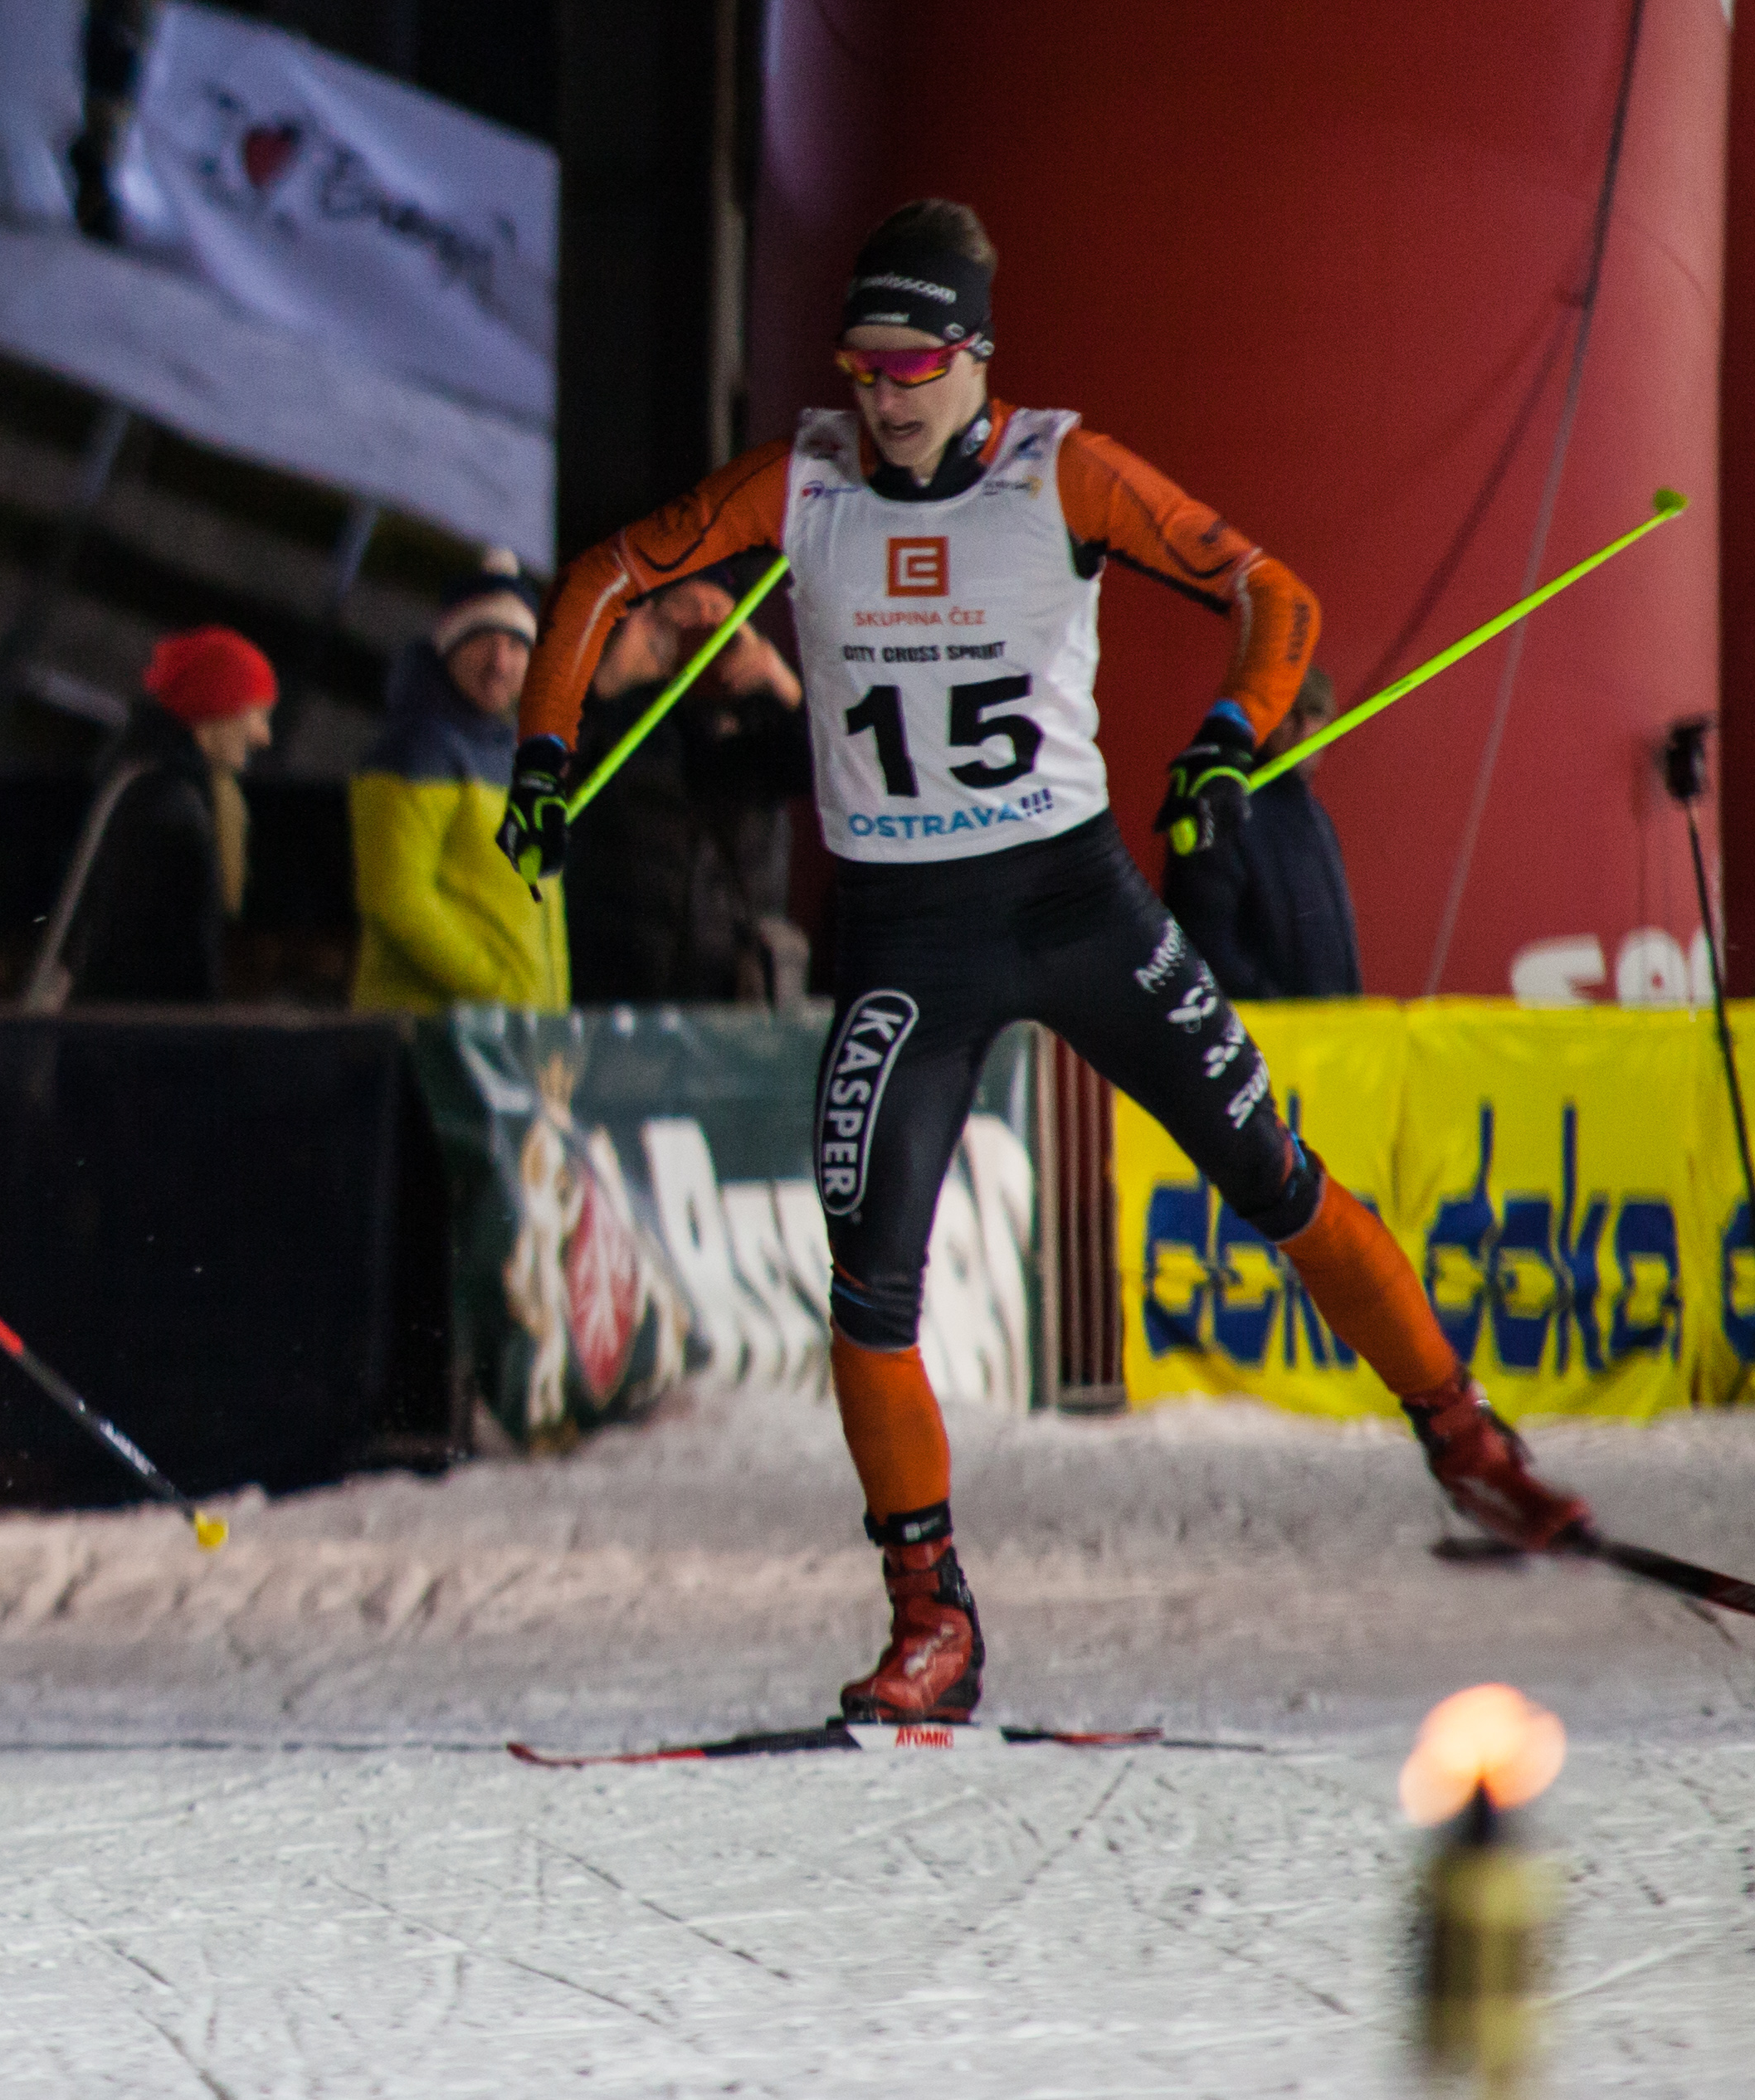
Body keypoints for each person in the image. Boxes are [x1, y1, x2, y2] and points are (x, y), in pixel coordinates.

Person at [503, 201, 1592, 1724]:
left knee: (1273, 1173)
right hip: (901, 932)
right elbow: (609, 574)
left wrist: (1229, 739)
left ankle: (1471, 1443)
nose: (883, 396)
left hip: (1075, 906)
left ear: (975, 358)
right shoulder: (804, 477)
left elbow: (1272, 592)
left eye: (913, 363)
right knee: (867, 1292)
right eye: (862, 363)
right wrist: (545, 751)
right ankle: (931, 1617)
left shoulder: (1057, 469)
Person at [563, 576, 811, 1003]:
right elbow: (545, 784)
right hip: (614, 987)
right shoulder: (616, 713)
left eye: (719, 615)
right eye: (688, 611)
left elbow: (833, 776)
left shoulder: (762, 724)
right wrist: (605, 682)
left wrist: (786, 690)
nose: (704, 627)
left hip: (726, 990)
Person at [348, 553, 568, 1012]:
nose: (499, 662)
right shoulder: (417, 750)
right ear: (448, 646)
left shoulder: (520, 756)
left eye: (516, 645)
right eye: (482, 640)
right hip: (432, 1042)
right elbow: (396, 900)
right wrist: (501, 989)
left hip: (510, 1041)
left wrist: (550, 1017)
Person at [48, 625, 276, 1004]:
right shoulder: (170, 811)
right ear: (217, 707)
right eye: (256, 713)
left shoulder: (140, 783)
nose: (262, 735)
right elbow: (170, 972)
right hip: (137, 1051)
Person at [1162, 669, 1363, 998]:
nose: (1299, 727)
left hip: (1331, 1035)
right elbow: (1206, 942)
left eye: (1313, 713)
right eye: (1288, 711)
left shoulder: (1316, 819)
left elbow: (1340, 950)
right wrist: (1276, 1016)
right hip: (1260, 1036)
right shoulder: (1221, 806)